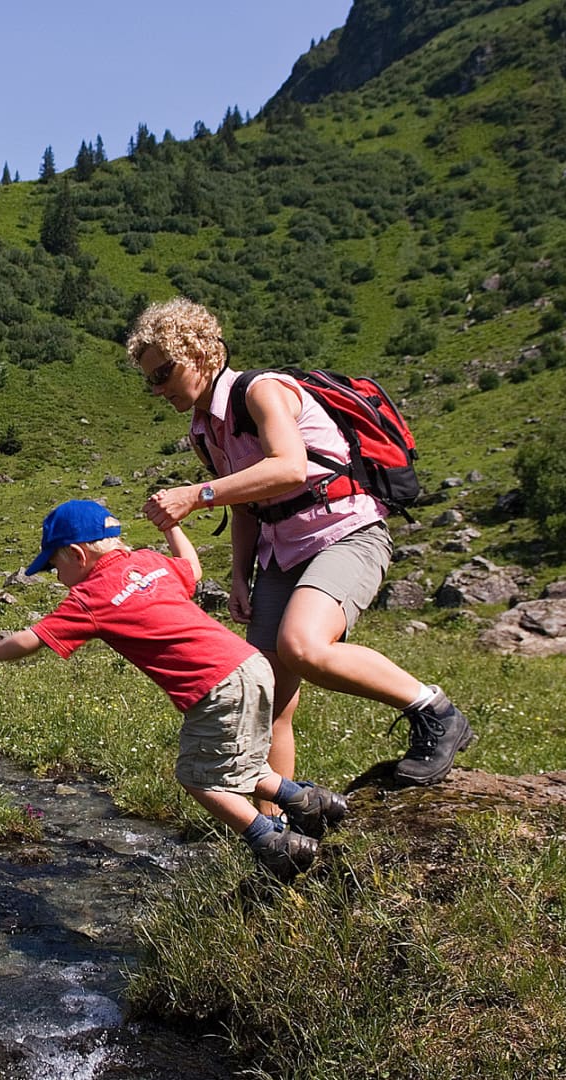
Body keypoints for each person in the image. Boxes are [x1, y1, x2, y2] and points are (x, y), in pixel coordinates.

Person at [129, 298, 472, 800]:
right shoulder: (205, 431)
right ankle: (283, 823)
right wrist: (241, 576)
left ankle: (435, 711)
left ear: (200, 354)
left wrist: (196, 495)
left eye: (164, 373)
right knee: (267, 702)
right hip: (281, 555)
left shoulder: (262, 391)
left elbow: (288, 467)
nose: (159, 389)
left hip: (346, 533)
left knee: (303, 646)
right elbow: (247, 504)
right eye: (150, 381)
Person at [0, 500, 346, 881]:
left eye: (55, 566)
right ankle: (309, 801)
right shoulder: (149, 562)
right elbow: (193, 568)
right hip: (250, 665)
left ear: (77, 554)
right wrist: (171, 527)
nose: (58, 577)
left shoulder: (89, 597)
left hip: (213, 684)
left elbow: (34, 638)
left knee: (198, 777)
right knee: (239, 765)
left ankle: (272, 843)